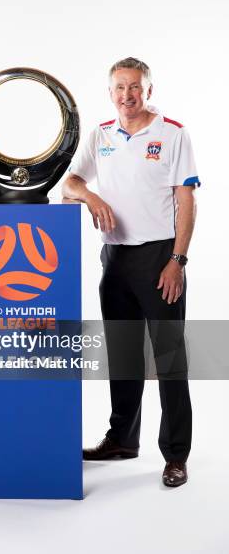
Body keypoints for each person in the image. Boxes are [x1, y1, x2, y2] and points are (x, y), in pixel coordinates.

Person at [62, 57, 199, 487]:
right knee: (122, 355)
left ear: (149, 90)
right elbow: (71, 181)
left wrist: (177, 261)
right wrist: (92, 198)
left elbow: (187, 201)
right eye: (120, 88)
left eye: (135, 87)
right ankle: (122, 438)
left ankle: (176, 455)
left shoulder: (173, 133)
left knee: (169, 359)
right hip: (115, 259)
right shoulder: (100, 135)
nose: (127, 96)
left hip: (160, 259)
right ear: (110, 92)